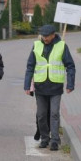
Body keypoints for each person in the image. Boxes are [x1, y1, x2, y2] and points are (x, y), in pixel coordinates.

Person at [24, 24, 76, 152]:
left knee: (54, 113)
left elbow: (70, 66)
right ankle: (44, 138)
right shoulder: (36, 45)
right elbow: (30, 66)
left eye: (47, 36)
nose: (45, 38)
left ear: (53, 35)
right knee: (41, 115)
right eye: (43, 35)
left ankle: (54, 140)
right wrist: (27, 85)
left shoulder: (62, 46)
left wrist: (70, 84)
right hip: (40, 86)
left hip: (55, 86)